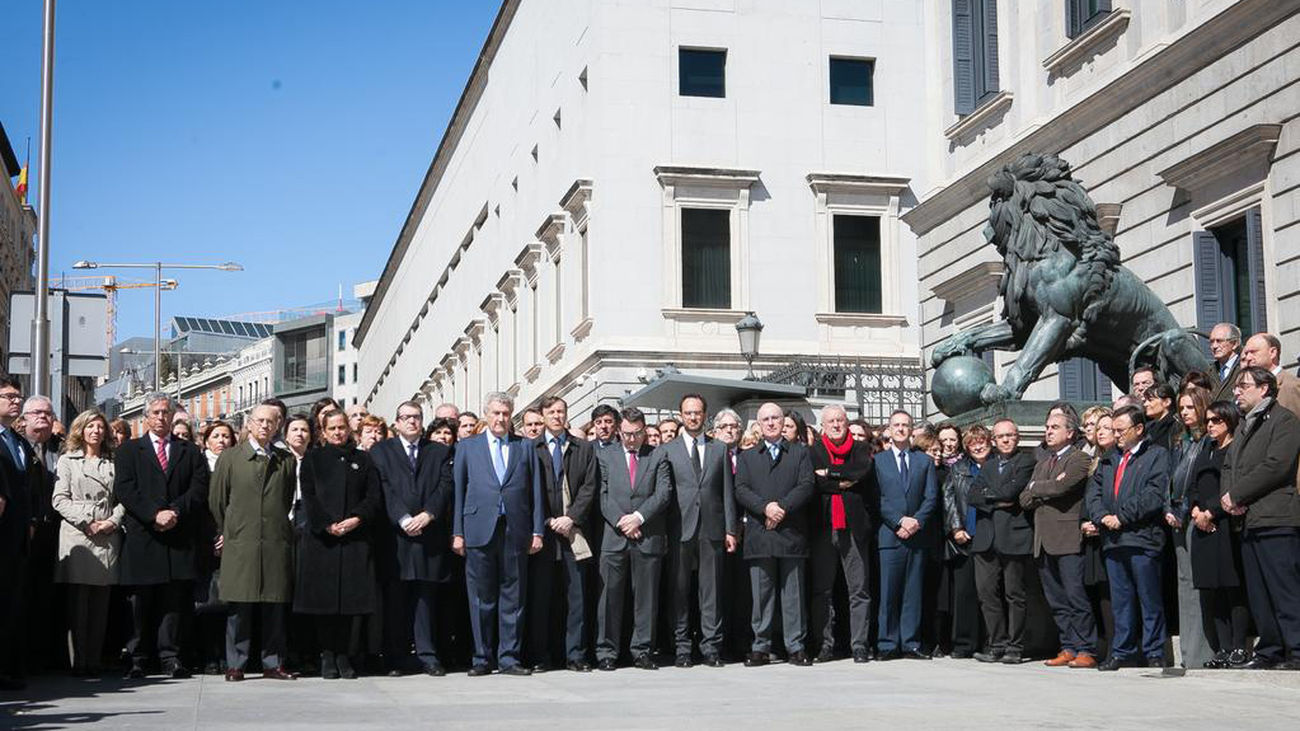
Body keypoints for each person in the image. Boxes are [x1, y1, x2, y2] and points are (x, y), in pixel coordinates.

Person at [115, 392, 210, 680]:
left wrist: (175, 512)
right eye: (155, 412)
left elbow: (199, 488)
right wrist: (154, 514)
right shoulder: (129, 451)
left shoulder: (189, 451)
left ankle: (170, 657)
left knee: (173, 601)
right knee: (139, 602)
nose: (161, 417)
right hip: (145, 536)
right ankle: (137, 657)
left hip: (177, 536)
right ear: (146, 417)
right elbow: (125, 489)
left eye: (165, 412)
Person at [452, 392, 544, 676]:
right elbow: (459, 491)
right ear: (486, 414)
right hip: (478, 529)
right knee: (481, 598)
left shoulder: (524, 446)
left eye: (505, 413)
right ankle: (482, 658)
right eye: (495, 413)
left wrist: (537, 530)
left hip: (515, 530)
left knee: (513, 597)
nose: (501, 418)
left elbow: (536, 492)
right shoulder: (467, 446)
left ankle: (509, 658)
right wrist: (457, 532)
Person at [209, 404, 298, 682]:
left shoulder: (286, 459)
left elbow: (285, 499)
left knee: (274, 604)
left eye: (270, 422)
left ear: (277, 426)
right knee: (240, 606)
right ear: (249, 423)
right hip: (241, 541)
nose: (264, 426)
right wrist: (231, 528)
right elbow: (217, 500)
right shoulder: (230, 458)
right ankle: (236, 664)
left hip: (273, 540)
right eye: (259, 421)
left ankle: (273, 663)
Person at [1221, 367, 1300, 670]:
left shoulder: (1284, 420)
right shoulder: (1244, 424)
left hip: (1276, 518)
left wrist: (1237, 494)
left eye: (1243, 386)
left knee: (1284, 589)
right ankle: (1270, 650)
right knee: (1259, 593)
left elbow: (1276, 465)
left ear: (1264, 388)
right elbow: (1229, 465)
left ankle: (1296, 649)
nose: (1237, 392)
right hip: (1249, 520)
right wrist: (1228, 497)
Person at [369, 401, 455, 676]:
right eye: (406, 417)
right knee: (395, 600)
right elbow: (383, 487)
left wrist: (428, 514)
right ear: (396, 422)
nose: (411, 421)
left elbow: (445, 486)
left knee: (425, 600)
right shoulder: (381, 451)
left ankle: (428, 655)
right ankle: (396, 657)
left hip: (429, 536)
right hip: (396, 538)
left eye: (416, 417)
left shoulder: (439, 451)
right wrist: (403, 518)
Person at [295, 410, 382, 679]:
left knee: (350, 603)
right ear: (323, 431)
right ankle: (327, 654)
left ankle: (345, 654)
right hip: (323, 541)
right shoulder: (313, 458)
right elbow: (309, 497)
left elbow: (373, 497)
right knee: (324, 603)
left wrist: (357, 518)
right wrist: (327, 525)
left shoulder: (363, 459)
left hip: (354, 539)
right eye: (331, 428)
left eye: (341, 427)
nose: (337, 432)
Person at [1086, 404, 1170, 670]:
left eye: (1121, 430)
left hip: (1142, 538)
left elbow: (1154, 494)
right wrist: (1102, 516)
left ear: (1139, 429)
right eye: (1114, 430)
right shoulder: (1109, 459)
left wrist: (1121, 516)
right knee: (1121, 601)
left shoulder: (1156, 455)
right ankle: (1122, 651)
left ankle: (1154, 651)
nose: (1116, 435)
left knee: (1149, 599)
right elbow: (1093, 493)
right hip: (1113, 541)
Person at [659, 394, 738, 667]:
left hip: (712, 529)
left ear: (705, 415)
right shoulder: (667, 450)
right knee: (679, 591)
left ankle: (711, 647)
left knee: (711, 591)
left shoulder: (719, 449)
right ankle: (681, 647)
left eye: (697, 412)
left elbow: (727, 492)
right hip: (679, 528)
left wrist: (730, 529)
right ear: (681, 415)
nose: (693, 417)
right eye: (688, 413)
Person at [734, 402, 815, 667]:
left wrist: (781, 508)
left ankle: (796, 647)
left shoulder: (800, 453)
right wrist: (765, 508)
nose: (771, 423)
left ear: (783, 422)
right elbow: (741, 489)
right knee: (762, 595)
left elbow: (806, 485)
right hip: (761, 532)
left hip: (791, 532)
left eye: (775, 418)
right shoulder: (747, 456)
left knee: (793, 595)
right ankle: (760, 647)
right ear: (758, 424)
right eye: (766, 419)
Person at [594, 407, 671, 671]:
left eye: (637, 433)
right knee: (609, 598)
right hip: (614, 536)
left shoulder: (658, 454)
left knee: (646, 599)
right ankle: (606, 651)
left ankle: (642, 650)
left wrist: (638, 517)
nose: (631, 439)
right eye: (626, 433)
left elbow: (663, 492)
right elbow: (602, 495)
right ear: (619, 431)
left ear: (644, 430)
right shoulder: (605, 455)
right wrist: (622, 521)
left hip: (647, 535)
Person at [1020, 412, 1098, 668]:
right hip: (1043, 541)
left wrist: (1038, 487)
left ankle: (1086, 648)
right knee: (1056, 600)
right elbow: (1024, 498)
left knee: (1076, 597)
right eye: (1047, 427)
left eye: (1055, 427)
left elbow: (1062, 487)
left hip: (1067, 539)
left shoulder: (1080, 459)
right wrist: (1044, 487)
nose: (1049, 431)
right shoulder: (1043, 463)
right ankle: (1068, 646)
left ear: (1070, 432)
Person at [527, 396, 598, 673]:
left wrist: (571, 518)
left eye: (561, 411)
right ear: (543, 416)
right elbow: (525, 488)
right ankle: (540, 655)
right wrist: (546, 520)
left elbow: (590, 487)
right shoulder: (530, 448)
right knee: (541, 598)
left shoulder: (583, 448)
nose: (557, 416)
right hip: (542, 534)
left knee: (575, 598)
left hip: (574, 533)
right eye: (552, 412)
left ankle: (575, 655)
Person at [51, 409, 123, 675]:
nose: (96, 431)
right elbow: (59, 499)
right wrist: (86, 521)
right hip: (78, 534)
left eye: (100, 427)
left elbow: (124, 498)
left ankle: (95, 659)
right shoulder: (68, 460)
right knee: (78, 602)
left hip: (107, 534)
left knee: (101, 602)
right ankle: (79, 661)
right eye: (90, 426)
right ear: (80, 430)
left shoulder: (114, 461)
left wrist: (112, 521)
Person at [808, 404, 876, 663]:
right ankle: (824, 645)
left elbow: (861, 471)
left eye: (840, 420)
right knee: (822, 590)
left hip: (853, 527)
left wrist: (830, 473)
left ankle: (859, 645)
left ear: (847, 423)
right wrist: (844, 482)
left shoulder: (860, 448)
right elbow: (816, 483)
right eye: (831, 421)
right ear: (823, 426)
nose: (836, 425)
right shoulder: (814, 451)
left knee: (859, 589)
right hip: (824, 528)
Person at [968, 419, 1036, 665]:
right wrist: (999, 499)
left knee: (1014, 594)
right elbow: (972, 495)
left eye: (1010, 435)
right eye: (1000, 436)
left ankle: (1015, 647)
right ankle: (997, 644)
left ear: (1017, 437)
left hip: (1014, 537)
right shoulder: (988, 465)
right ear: (993, 440)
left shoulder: (1026, 461)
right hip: (986, 539)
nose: (1006, 440)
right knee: (986, 593)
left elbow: (1012, 492)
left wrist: (992, 495)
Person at [1189, 400, 1250, 668]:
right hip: (1203, 527)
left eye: (1217, 420)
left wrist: (1211, 512)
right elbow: (1194, 484)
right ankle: (1223, 648)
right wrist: (1195, 510)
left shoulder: (1236, 449)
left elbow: (1234, 486)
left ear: (1230, 421)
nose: (1210, 425)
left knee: (1232, 587)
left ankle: (1239, 646)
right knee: (1211, 590)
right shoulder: (1207, 450)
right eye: (1208, 421)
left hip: (1226, 524)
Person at [873, 409, 938, 660]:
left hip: (917, 536)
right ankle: (887, 644)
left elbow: (931, 497)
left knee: (913, 592)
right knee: (888, 593)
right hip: (891, 535)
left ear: (911, 430)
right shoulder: (878, 461)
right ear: (889, 430)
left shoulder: (924, 461)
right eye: (896, 425)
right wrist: (899, 521)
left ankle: (910, 643)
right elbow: (877, 498)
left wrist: (916, 521)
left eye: (905, 425)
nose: (900, 429)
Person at [1167, 386, 1213, 668]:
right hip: (1177, 517)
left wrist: (1184, 510)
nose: (1184, 412)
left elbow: (1196, 482)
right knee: (1184, 585)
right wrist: (1168, 509)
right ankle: (1188, 653)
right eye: (1181, 408)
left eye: (1189, 407)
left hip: (1195, 516)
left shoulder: (1207, 441)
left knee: (1197, 585)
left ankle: (1201, 654)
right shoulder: (1180, 441)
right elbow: (1171, 480)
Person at [941, 425, 992, 659]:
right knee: (964, 593)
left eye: (982, 441)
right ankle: (963, 643)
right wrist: (956, 527)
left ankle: (990, 641)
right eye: (972, 443)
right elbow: (948, 498)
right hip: (966, 537)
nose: (978, 446)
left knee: (990, 592)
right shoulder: (959, 468)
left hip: (991, 537)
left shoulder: (997, 465)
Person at [195, 420, 235, 674]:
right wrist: (213, 536)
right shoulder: (200, 465)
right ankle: (209, 655)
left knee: (230, 603)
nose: (222, 440)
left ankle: (228, 655)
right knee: (208, 601)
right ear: (206, 441)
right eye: (216, 436)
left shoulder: (236, 464)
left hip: (234, 539)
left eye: (226, 436)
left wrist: (228, 534)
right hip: (205, 541)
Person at [1239, 332, 1300, 415]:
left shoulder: (1289, 386)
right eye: (1246, 354)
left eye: (1253, 352)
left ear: (1272, 352)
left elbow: (1293, 420)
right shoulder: (1248, 389)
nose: (1248, 358)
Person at [1208, 323, 1242, 403]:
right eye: (1212, 342)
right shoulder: (1209, 371)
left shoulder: (1244, 368)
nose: (1214, 346)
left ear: (1234, 344)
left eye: (1219, 341)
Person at [1142, 383, 1178, 452]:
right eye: (1145, 401)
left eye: (1150, 400)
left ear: (1167, 402)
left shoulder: (1175, 426)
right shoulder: (1148, 427)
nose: (1145, 404)